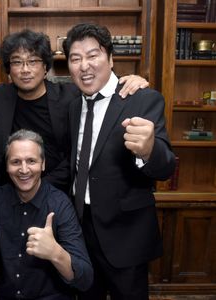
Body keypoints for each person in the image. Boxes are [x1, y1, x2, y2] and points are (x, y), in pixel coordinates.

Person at [0, 29, 149, 195]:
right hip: (4, 197)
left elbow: (75, 153)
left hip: (55, 195)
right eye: (17, 62)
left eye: (33, 61)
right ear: (8, 70)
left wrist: (132, 80)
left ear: (46, 67)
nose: (25, 70)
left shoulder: (71, 97)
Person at [63, 23, 176, 299]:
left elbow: (166, 167)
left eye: (93, 55)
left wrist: (148, 150)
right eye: (75, 59)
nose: (84, 65)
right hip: (82, 228)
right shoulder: (73, 104)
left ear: (111, 59)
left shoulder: (143, 99)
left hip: (126, 234)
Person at [0, 129, 94, 299]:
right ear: (7, 166)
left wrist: (56, 253)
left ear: (43, 164)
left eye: (31, 161)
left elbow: (85, 280)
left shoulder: (60, 204)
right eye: (16, 162)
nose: (24, 170)